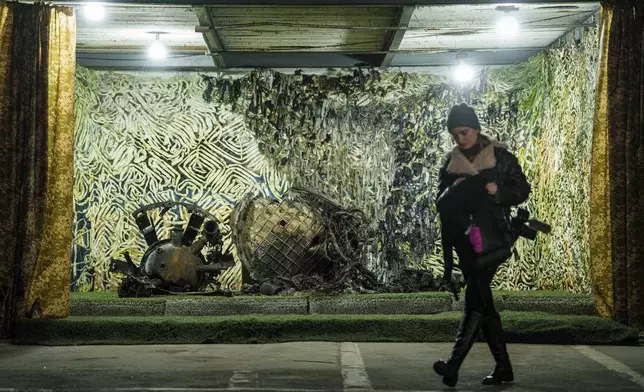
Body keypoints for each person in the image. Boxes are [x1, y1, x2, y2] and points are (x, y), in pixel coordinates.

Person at [432, 103, 531, 388]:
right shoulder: (451, 163)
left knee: (475, 298)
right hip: (466, 243)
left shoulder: (500, 157)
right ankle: (503, 367)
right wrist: (457, 188)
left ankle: (454, 365)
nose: (459, 139)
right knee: (482, 303)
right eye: (455, 135)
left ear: (475, 129)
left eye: (463, 132)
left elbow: (522, 190)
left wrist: (498, 192)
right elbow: (441, 202)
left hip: (493, 241)